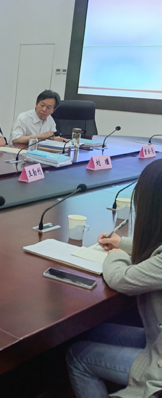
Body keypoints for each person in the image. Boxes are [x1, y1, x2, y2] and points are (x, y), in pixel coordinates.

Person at [66, 159, 162, 398]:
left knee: (78, 355)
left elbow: (122, 278)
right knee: (95, 332)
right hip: (157, 340)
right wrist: (123, 243)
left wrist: (116, 255)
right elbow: (156, 251)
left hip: (159, 368)